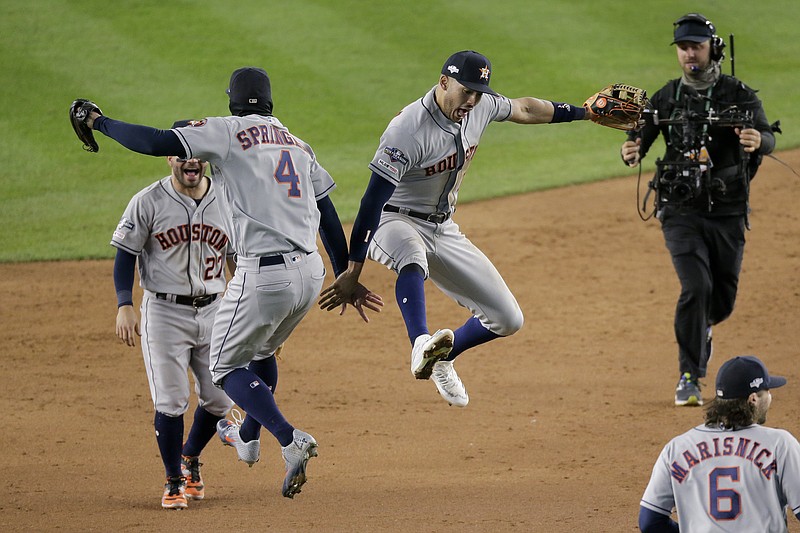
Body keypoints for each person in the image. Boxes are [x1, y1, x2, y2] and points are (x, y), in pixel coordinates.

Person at [86, 66, 382, 499]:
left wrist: (99, 122)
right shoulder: (298, 143)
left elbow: (152, 141)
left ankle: (288, 438)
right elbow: (329, 214)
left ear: (232, 100)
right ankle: (247, 436)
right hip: (311, 272)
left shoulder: (227, 131)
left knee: (224, 369)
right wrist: (346, 273)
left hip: (264, 276)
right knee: (262, 350)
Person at [319, 50, 591, 407]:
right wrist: (351, 270)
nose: (472, 100)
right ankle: (420, 344)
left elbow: (525, 108)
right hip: (393, 218)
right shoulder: (407, 131)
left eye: (479, 91)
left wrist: (587, 113)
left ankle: (441, 358)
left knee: (507, 318)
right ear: (443, 82)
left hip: (442, 227)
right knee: (412, 256)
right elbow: (370, 202)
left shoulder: (482, 105)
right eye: (466, 91)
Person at [620, 14, 776, 406]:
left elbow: (767, 135)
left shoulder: (738, 94)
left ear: (712, 49)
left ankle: (702, 326)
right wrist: (631, 149)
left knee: (721, 298)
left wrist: (760, 139)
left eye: (697, 46)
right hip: (680, 209)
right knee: (696, 287)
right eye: (683, 47)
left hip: (727, 209)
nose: (690, 53)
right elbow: (640, 136)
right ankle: (689, 376)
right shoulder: (667, 97)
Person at [112, 120, 236, 509]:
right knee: (171, 400)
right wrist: (124, 303)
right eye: (182, 154)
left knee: (218, 399)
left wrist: (247, 313)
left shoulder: (229, 200)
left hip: (216, 310)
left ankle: (190, 458)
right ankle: (172, 482)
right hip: (165, 313)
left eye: (197, 155)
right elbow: (125, 254)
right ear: (169, 157)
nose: (190, 162)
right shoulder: (147, 201)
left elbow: (237, 258)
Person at [639, 355, 800, 532]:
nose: (770, 397)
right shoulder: (780, 444)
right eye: (767, 391)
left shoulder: (676, 448)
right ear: (753, 399)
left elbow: (649, 521)